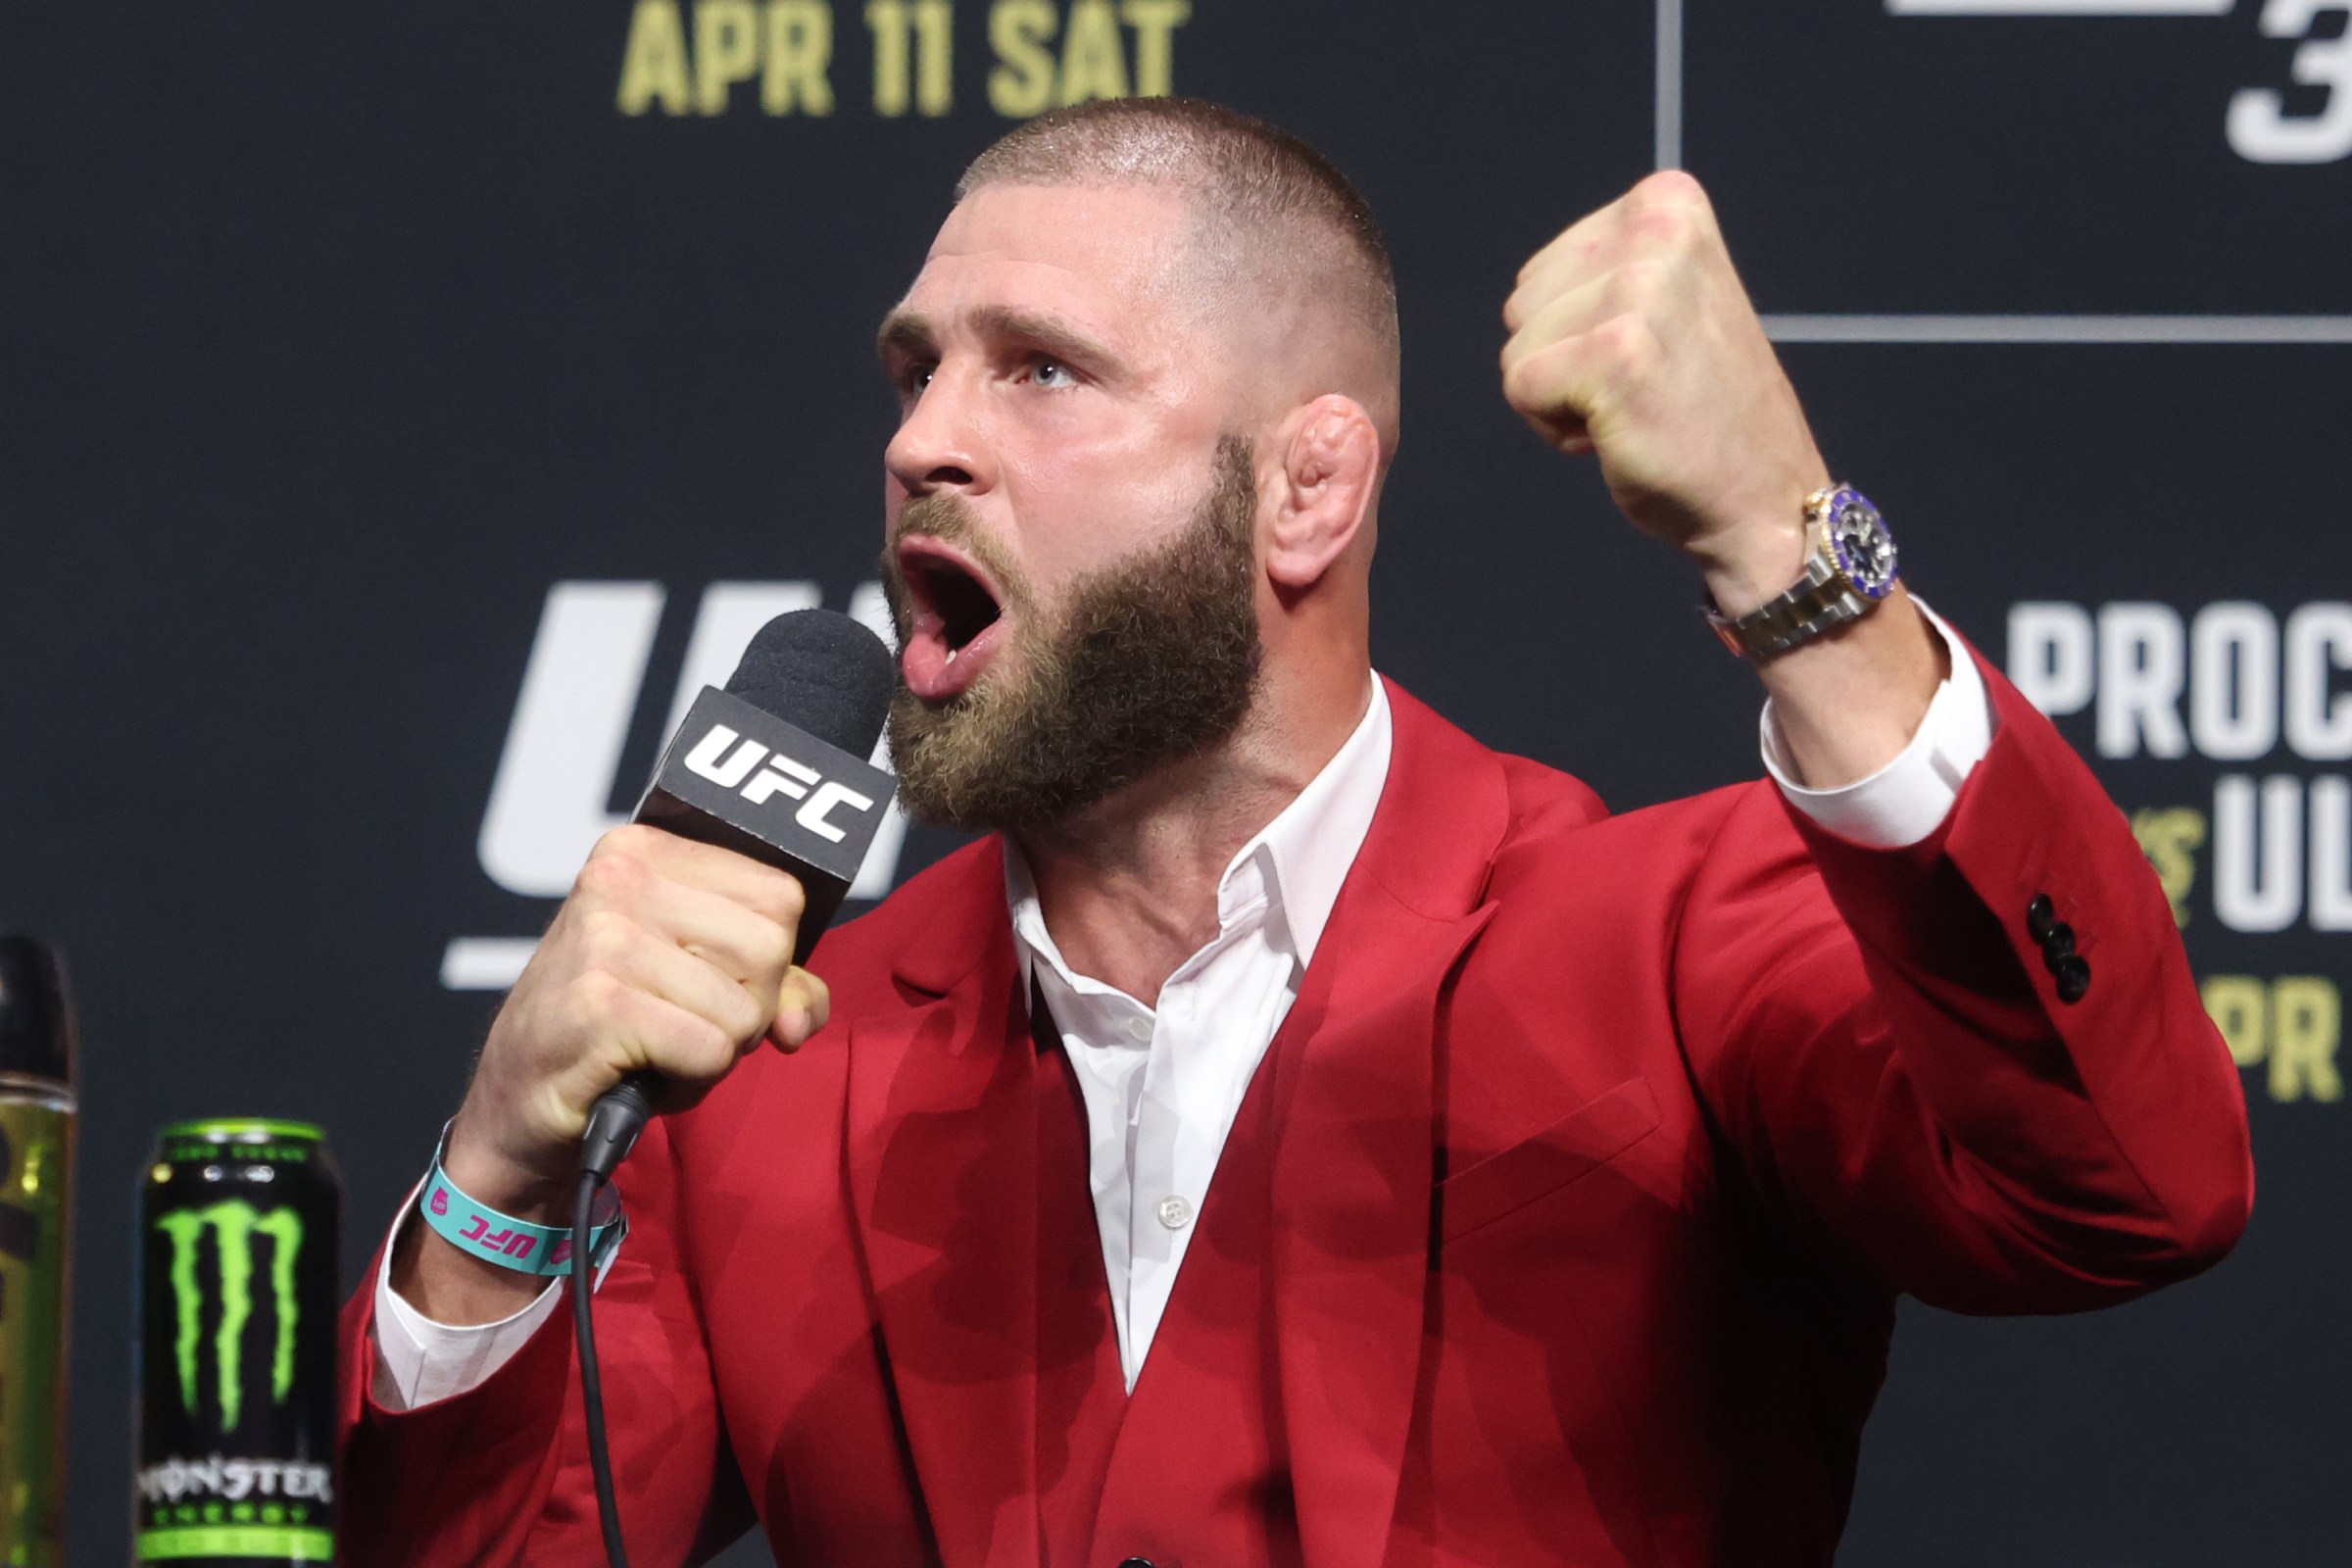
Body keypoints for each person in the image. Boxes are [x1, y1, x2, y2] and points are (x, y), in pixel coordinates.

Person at [337, 98, 2252, 1566]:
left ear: (1308, 484)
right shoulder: (770, 1065)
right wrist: (501, 1168)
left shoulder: (1669, 935)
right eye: (915, 367)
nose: (926, 433)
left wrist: (1789, 549)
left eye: (1043, 367)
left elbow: (2126, 1185)